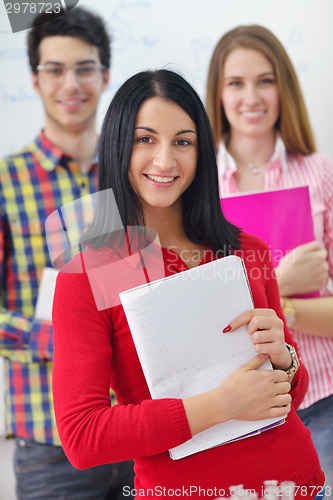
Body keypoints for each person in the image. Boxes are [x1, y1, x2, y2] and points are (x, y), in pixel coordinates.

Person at [51, 69, 324, 499]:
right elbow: (83, 437)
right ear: (119, 145)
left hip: (295, 483)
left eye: (183, 141)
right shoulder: (90, 274)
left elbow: (292, 391)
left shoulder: (245, 249)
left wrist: (283, 357)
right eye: (146, 139)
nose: (165, 161)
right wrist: (219, 406)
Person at [0, 6, 134, 499]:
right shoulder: (5, 183)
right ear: (35, 81)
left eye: (84, 68)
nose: (70, 84)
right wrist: (60, 338)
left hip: (140, 427)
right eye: (55, 69)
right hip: (50, 444)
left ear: (105, 76)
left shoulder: (138, 174)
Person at [206, 25, 333, 489]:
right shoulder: (198, 187)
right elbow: (206, 316)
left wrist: (284, 309)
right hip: (231, 411)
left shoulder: (320, 174)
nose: (251, 96)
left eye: (265, 80)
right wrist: (281, 279)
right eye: (235, 83)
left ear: (284, 87)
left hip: (321, 397)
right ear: (217, 94)